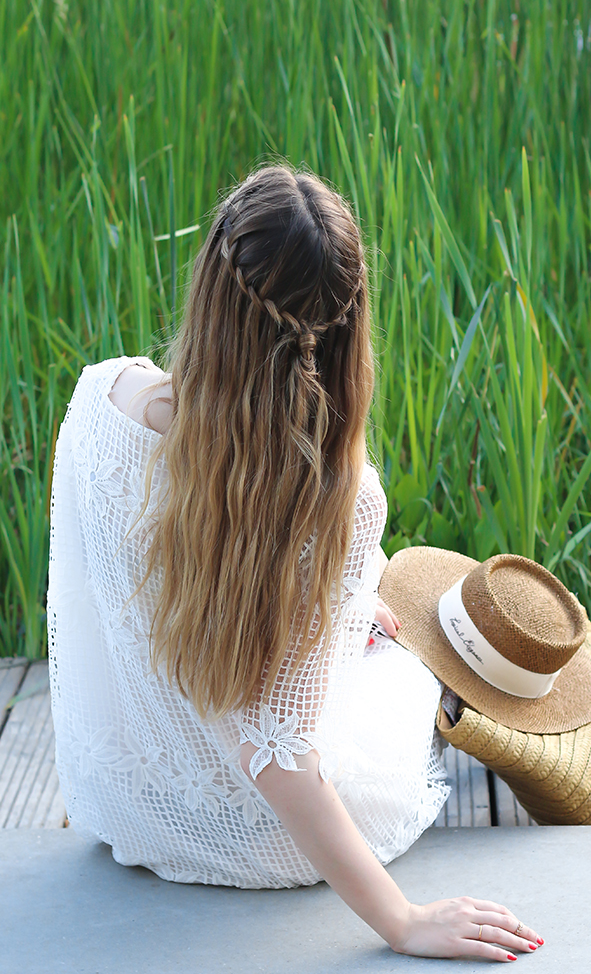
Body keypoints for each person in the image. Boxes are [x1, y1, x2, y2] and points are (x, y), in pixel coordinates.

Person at [47, 165, 543, 961]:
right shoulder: (332, 500)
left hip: (127, 806)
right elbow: (276, 757)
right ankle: (585, 667)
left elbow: (100, 606)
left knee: (372, 621)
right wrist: (402, 921)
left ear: (209, 282)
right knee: (427, 651)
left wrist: (340, 608)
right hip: (268, 843)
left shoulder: (101, 400)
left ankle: (515, 655)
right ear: (348, 322)